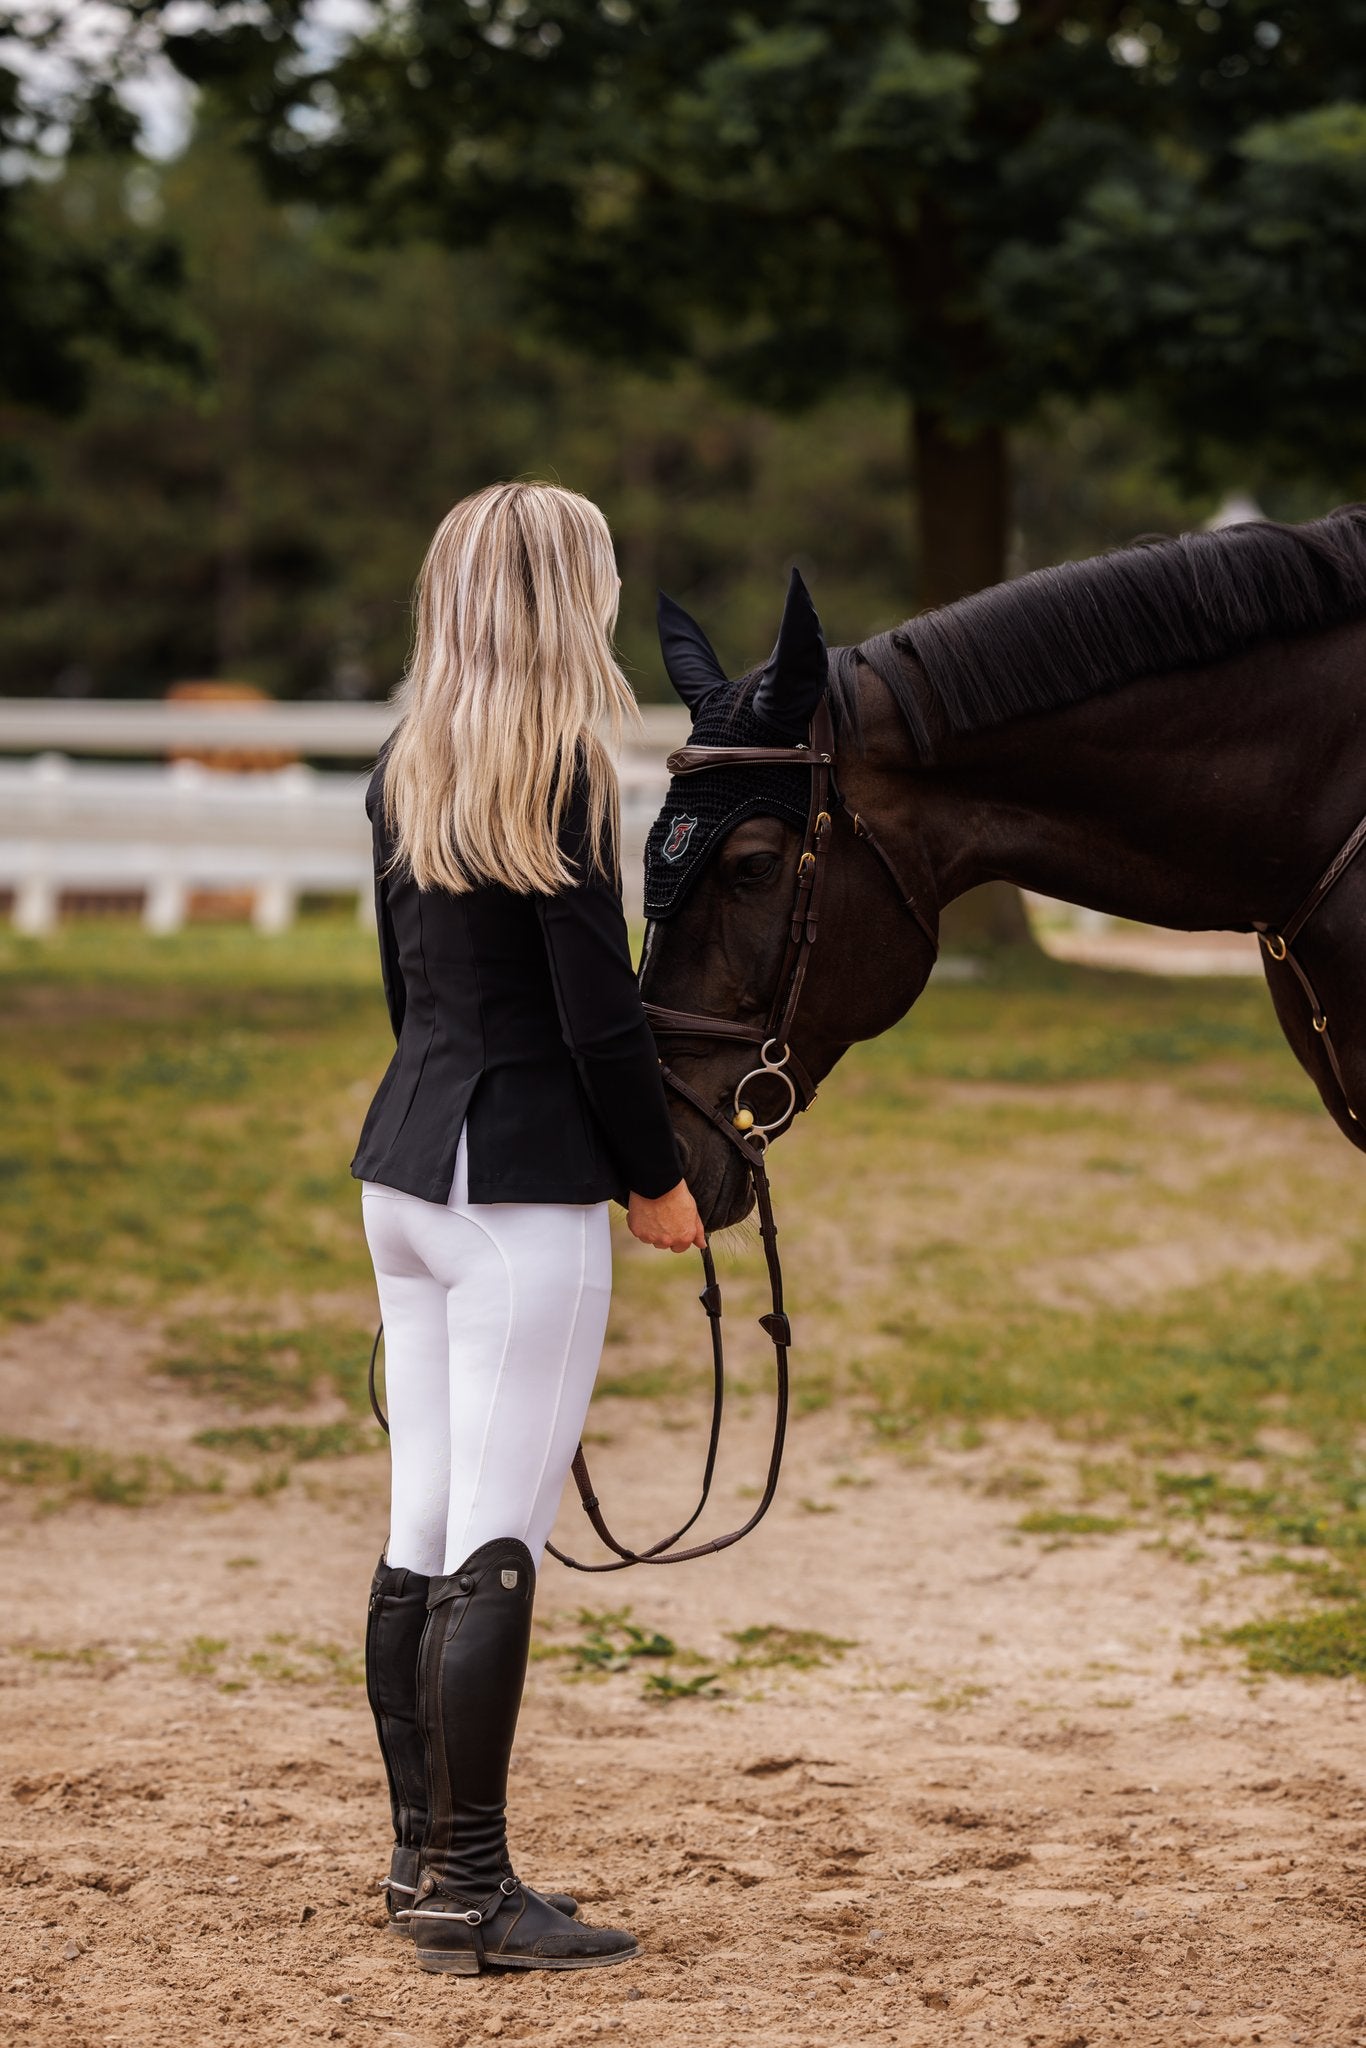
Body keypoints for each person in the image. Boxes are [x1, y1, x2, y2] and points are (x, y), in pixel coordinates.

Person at [351, 482, 705, 1977]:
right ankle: (470, 1889)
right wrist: (656, 1176)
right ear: (571, 595)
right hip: (518, 1192)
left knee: (420, 1529)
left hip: (406, 1172)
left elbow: (401, 988)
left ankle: (418, 1857)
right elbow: (597, 1015)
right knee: (493, 1539)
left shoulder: (402, 764)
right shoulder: (558, 769)